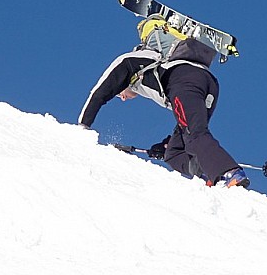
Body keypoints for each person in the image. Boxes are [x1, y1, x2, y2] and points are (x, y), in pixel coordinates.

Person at [78, 18, 249, 188]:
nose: (122, 97)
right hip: (206, 85)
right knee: (174, 153)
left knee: (195, 134)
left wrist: (82, 127)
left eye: (119, 94)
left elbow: (98, 93)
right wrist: (166, 145)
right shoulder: (151, 68)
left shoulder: (131, 61)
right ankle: (210, 175)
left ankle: (230, 173)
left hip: (185, 79)